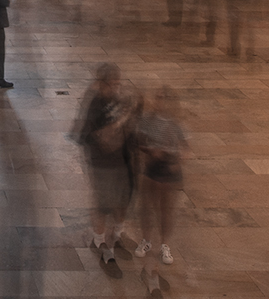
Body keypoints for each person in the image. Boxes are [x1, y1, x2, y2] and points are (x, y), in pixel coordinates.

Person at [76, 63, 140, 265]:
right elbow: (103, 139)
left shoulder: (119, 100)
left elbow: (129, 130)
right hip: (102, 164)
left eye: (118, 85)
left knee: (122, 201)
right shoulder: (95, 105)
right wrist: (122, 122)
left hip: (123, 161)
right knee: (103, 204)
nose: (115, 89)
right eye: (111, 85)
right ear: (101, 84)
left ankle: (118, 233)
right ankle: (99, 240)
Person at [133, 87, 187, 275]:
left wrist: (178, 158)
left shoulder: (175, 122)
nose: (160, 101)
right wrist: (149, 151)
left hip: (170, 169)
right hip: (152, 167)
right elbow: (139, 141)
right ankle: (146, 240)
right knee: (147, 206)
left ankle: (165, 244)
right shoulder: (147, 120)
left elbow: (185, 147)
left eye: (164, 98)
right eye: (158, 97)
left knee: (166, 209)